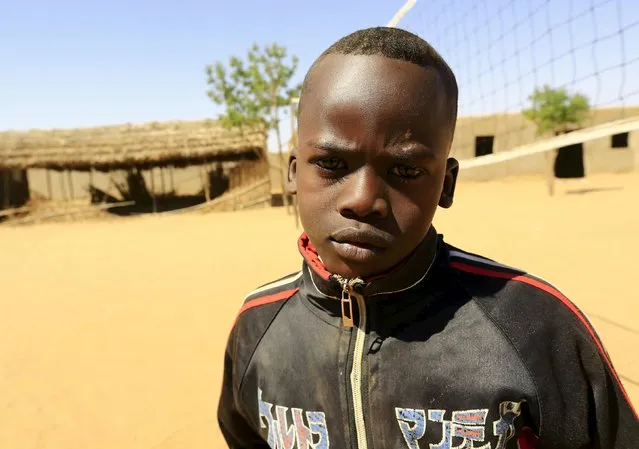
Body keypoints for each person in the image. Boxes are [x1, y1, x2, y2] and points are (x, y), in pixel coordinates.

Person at [217, 27, 638, 448]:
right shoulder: (258, 328)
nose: (363, 201)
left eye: (405, 171)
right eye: (331, 163)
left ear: (446, 185)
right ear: (293, 172)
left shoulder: (534, 326)